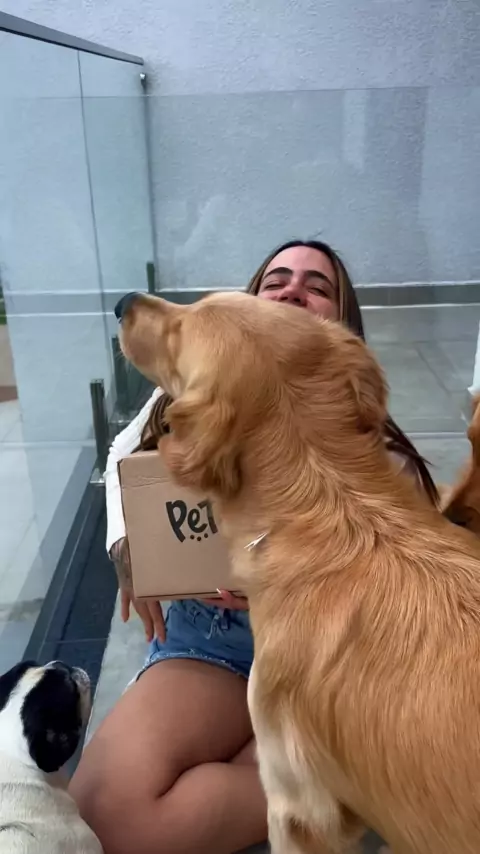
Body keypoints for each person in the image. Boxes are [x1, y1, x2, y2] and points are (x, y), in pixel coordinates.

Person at [70, 240, 438, 854]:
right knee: (99, 811)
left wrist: (290, 586)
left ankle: (331, 772)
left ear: (341, 331)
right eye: (276, 281)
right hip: (212, 642)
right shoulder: (193, 388)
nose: (293, 289)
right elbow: (120, 456)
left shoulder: (378, 453)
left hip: (320, 659)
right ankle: (340, 775)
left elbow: (402, 600)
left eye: (317, 287)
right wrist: (123, 547)